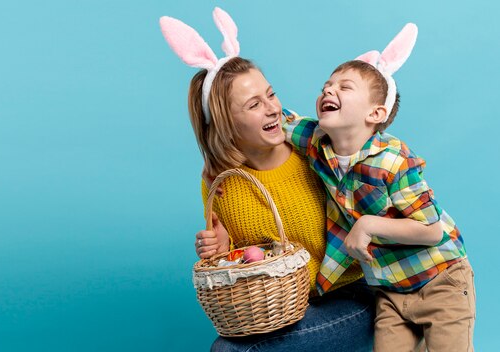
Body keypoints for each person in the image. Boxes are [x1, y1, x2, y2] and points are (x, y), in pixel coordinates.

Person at [160, 8, 374, 352]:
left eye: (271, 94)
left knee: (231, 351)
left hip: (350, 297)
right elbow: (247, 266)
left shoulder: (316, 150)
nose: (273, 108)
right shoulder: (222, 182)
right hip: (280, 309)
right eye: (254, 105)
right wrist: (222, 249)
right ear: (226, 122)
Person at [283, 24, 475, 351]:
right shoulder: (317, 141)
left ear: (376, 113)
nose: (328, 91)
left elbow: (431, 230)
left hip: (440, 279)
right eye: (326, 86)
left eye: (345, 87)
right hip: (390, 290)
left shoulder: (395, 160)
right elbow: (278, 122)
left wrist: (368, 224)